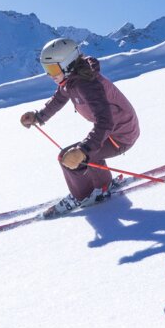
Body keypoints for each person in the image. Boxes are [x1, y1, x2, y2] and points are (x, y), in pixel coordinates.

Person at [21, 37, 141, 215]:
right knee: (87, 153)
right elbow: (59, 98)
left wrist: (83, 151)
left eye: (53, 68)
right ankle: (102, 186)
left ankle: (82, 196)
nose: (49, 74)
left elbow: (105, 121)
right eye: (47, 69)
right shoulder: (72, 80)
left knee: (68, 159)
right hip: (113, 132)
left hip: (121, 135)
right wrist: (39, 116)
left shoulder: (88, 84)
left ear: (68, 64)